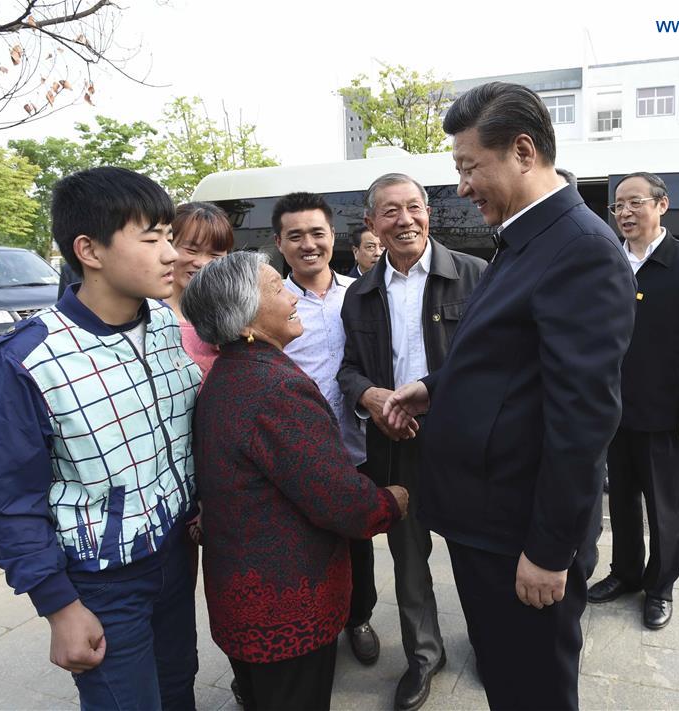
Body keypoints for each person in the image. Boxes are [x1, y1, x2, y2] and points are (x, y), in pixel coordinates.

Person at [383, 82, 637, 710]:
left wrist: (549, 552)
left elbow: (583, 419)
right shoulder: (527, 235)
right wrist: (433, 388)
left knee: (533, 691)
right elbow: (509, 361)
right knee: (506, 678)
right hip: (486, 522)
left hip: (520, 536)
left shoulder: (580, 250)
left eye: (469, 167)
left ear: (523, 151)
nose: (463, 187)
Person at [0, 167, 202, 710]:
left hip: (174, 556)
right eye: (152, 239)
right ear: (89, 250)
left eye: (169, 237)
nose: (172, 254)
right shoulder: (29, 359)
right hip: (102, 583)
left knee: (177, 688)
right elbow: (7, 501)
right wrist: (59, 607)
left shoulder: (168, 326)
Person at [181, 251, 408, 711]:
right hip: (284, 605)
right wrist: (391, 501)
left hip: (246, 597)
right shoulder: (272, 387)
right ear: (245, 317)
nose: (291, 298)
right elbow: (339, 499)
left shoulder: (231, 373)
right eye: (277, 289)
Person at [338, 173, 486, 711]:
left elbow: (493, 365)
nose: (405, 220)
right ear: (372, 224)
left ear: (429, 212)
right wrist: (372, 398)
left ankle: (489, 646)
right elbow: (348, 368)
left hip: (466, 443)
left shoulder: (475, 276)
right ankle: (424, 656)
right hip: (395, 445)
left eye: (414, 207)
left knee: (478, 553)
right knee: (407, 558)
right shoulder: (359, 294)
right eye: (391, 211)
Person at [587, 172, 679, 630]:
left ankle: (660, 586)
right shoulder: (607, 262)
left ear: (662, 205)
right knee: (621, 500)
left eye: (634, 203)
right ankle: (625, 573)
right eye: (618, 206)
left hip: (665, 415)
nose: (624, 212)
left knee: (664, 507)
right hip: (612, 411)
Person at [272, 192, 380, 665]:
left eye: (317, 233)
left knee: (358, 541)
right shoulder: (271, 303)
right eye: (295, 236)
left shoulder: (359, 296)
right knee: (306, 548)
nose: (308, 244)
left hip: (356, 446)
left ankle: (359, 618)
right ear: (280, 242)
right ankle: (312, 630)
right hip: (298, 454)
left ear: (333, 237)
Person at [164, 201, 234, 378]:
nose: (202, 263)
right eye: (191, 250)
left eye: (215, 255)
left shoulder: (233, 313)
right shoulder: (144, 313)